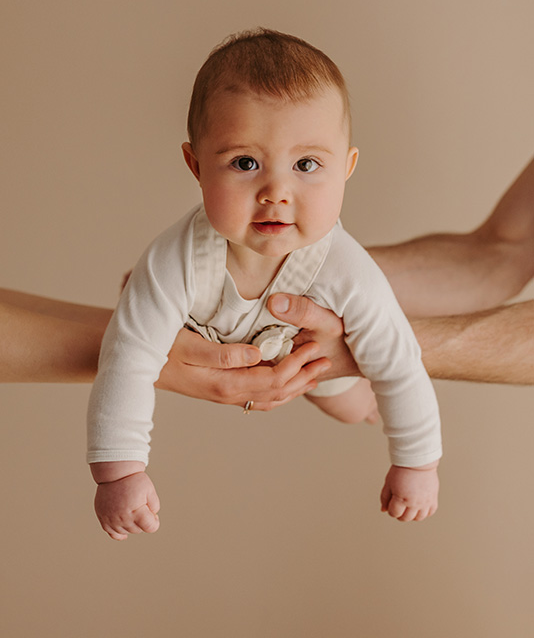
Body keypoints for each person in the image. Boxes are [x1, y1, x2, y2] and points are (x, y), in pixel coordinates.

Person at [87, 29, 442, 540]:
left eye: (307, 165)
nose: (276, 192)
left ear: (346, 168)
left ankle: (361, 405)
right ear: (196, 165)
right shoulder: (174, 259)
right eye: (245, 163)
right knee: (132, 327)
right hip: (205, 337)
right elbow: (126, 361)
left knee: (354, 399)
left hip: (311, 355)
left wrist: (417, 464)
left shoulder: (347, 269)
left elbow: (401, 364)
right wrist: (118, 473)